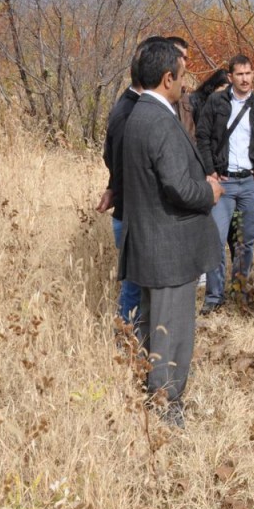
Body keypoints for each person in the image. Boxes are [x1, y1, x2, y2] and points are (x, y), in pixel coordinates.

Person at [118, 41, 224, 427]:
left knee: (153, 326)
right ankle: (165, 407)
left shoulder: (137, 113)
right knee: (172, 332)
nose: (185, 82)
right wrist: (209, 192)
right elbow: (178, 187)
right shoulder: (160, 120)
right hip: (170, 246)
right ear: (168, 78)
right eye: (182, 74)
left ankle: (152, 396)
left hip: (151, 240)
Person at [195, 54, 254, 313]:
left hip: (250, 183)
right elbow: (202, 136)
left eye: (248, 73)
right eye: (240, 74)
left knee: (245, 240)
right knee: (216, 239)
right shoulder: (216, 102)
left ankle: (239, 291)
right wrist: (210, 170)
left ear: (252, 74)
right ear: (231, 76)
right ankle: (213, 297)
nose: (245, 79)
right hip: (223, 183)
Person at [97, 36, 163, 326]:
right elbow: (120, 163)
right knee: (133, 288)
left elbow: (109, 158)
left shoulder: (133, 106)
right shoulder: (129, 111)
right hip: (132, 217)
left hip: (133, 213)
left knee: (138, 286)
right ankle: (124, 343)